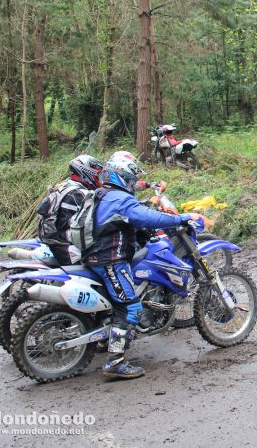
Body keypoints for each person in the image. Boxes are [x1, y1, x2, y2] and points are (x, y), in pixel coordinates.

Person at [82, 152, 191, 380]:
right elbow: (147, 217)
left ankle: (106, 339)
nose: (132, 183)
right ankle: (115, 361)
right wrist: (178, 218)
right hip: (110, 259)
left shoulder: (104, 193)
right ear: (121, 177)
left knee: (117, 302)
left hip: (96, 255)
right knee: (131, 307)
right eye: (130, 179)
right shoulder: (120, 200)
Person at [38, 155, 104, 265]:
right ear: (85, 171)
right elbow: (85, 224)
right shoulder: (79, 194)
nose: (99, 178)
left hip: (57, 240)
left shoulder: (66, 186)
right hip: (67, 247)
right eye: (97, 174)